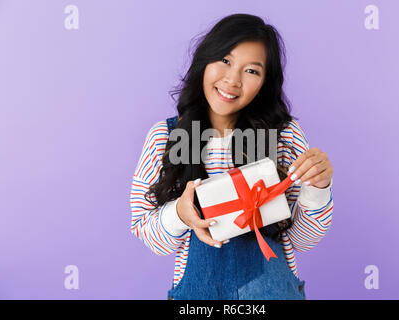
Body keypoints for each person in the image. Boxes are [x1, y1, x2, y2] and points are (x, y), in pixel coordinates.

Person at [130, 13, 334, 300]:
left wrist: (317, 189)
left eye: (251, 71)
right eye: (225, 61)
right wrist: (180, 214)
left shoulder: (283, 135)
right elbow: (146, 231)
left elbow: (302, 240)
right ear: (205, 60)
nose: (232, 80)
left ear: (265, 82)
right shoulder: (166, 137)